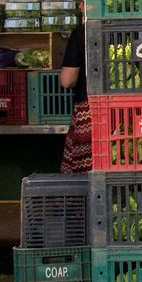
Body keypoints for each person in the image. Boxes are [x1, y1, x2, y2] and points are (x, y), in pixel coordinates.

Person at [57, 22, 91, 173]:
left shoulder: (82, 32)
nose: (79, 7)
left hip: (90, 113)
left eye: (83, 2)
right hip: (132, 114)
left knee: (85, 171)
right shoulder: (137, 30)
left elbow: (67, 80)